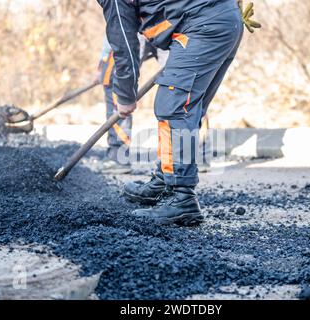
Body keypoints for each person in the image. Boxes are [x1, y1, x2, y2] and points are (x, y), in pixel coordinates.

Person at [96, 0, 260, 226]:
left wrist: (125, 96)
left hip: (203, 26)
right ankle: (166, 179)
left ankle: (181, 197)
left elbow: (124, 42)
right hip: (223, 21)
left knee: (173, 107)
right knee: (187, 109)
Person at [96, 35, 168, 174]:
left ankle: (118, 155)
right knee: (184, 81)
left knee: (115, 82)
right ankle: (193, 155)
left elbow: (117, 19)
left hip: (137, 23)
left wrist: (104, 58)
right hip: (172, 22)